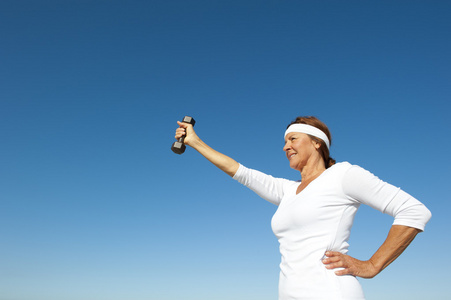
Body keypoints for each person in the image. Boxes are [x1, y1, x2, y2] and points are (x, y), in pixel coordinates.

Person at [174, 116, 431, 300]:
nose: (286, 146)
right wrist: (195, 143)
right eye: (285, 141)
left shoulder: (343, 175)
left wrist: (372, 265)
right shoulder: (288, 190)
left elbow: (414, 210)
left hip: (330, 292)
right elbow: (240, 172)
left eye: (293, 139)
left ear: (317, 143)